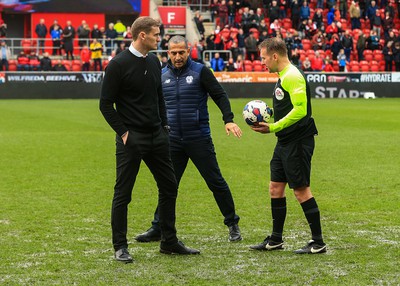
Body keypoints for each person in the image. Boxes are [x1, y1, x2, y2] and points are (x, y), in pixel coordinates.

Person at [99, 17, 200, 263]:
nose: (159, 38)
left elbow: (159, 98)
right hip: (131, 139)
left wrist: (164, 127)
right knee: (123, 193)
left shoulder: (155, 61)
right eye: (156, 34)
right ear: (142, 35)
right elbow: (105, 105)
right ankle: (120, 246)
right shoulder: (118, 65)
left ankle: (169, 241)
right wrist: (124, 133)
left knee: (169, 186)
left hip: (157, 136)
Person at [134, 35, 242, 244]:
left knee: (215, 182)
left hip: (199, 138)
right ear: (168, 53)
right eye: (173, 53)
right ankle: (158, 227)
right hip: (172, 141)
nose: (177, 57)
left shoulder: (200, 71)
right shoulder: (161, 74)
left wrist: (228, 119)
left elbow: (220, 95)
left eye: (181, 52)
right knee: (168, 186)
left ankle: (232, 224)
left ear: (189, 50)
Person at [249, 37, 327, 254]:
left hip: (298, 141)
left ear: (275, 56)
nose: (262, 62)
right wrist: (268, 115)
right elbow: (289, 106)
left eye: (263, 58)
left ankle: (318, 242)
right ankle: (275, 239)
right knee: (275, 188)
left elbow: (301, 111)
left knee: (301, 191)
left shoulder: (292, 76)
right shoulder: (282, 75)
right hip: (284, 141)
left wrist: (273, 127)